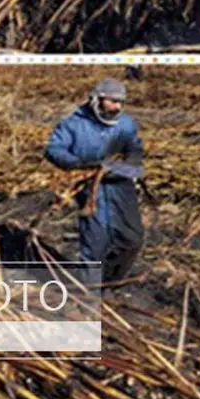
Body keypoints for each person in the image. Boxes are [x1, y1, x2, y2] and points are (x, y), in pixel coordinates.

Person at [45, 78, 146, 285]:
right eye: (112, 101)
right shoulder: (72, 124)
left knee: (132, 239)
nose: (117, 107)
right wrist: (78, 164)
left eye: (121, 102)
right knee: (95, 242)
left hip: (121, 187)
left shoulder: (126, 123)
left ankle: (110, 281)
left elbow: (135, 151)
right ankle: (90, 294)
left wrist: (126, 167)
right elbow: (54, 149)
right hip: (91, 189)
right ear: (96, 100)